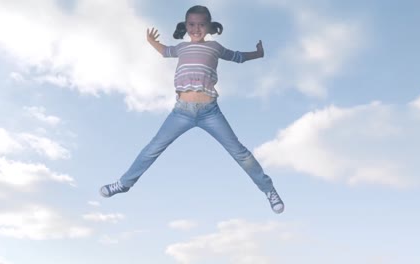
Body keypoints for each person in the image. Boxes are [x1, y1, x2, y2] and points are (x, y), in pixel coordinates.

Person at [100, 5, 284, 214]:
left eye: (201, 24)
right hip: (182, 112)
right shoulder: (181, 48)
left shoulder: (215, 46)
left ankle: (268, 189)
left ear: (209, 26)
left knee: (240, 153)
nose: (196, 28)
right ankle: (124, 184)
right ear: (186, 26)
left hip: (210, 112)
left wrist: (258, 54)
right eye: (191, 24)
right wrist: (151, 41)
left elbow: (238, 57)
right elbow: (164, 51)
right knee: (152, 148)